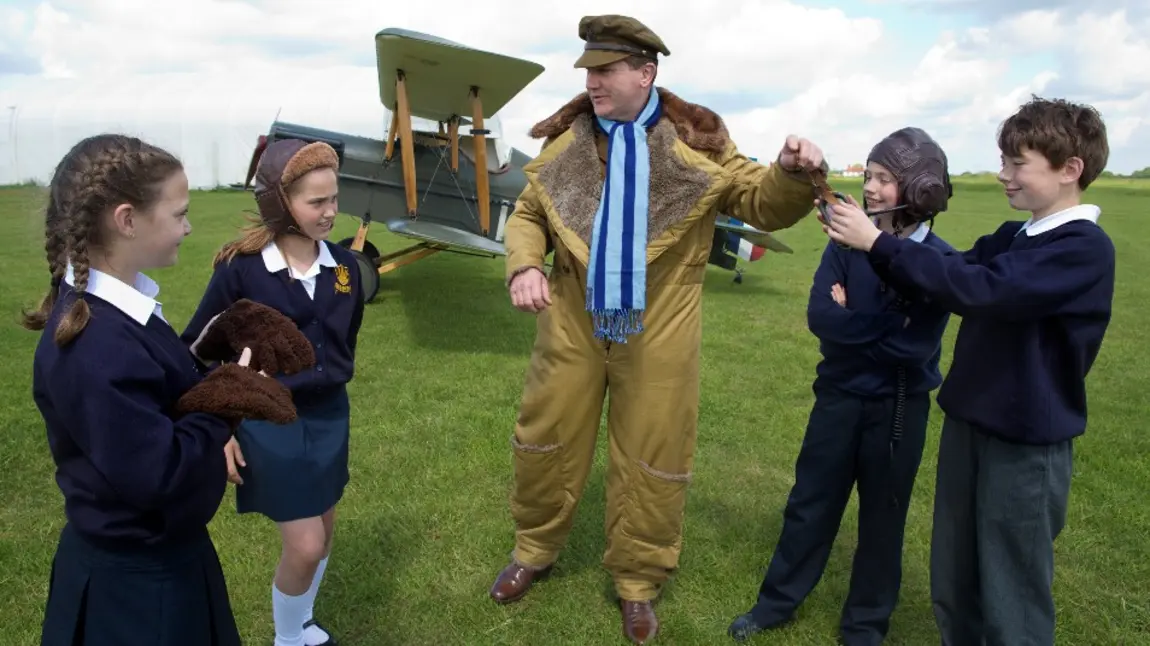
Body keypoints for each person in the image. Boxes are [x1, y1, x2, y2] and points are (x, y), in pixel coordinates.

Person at [489, 14, 826, 644]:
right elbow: (529, 214)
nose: (592, 82)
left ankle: (638, 583)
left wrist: (786, 171)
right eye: (588, 71)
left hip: (661, 326)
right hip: (570, 321)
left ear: (646, 74)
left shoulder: (699, 143)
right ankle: (533, 549)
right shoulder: (565, 141)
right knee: (546, 436)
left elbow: (761, 202)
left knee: (653, 453)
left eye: (606, 70)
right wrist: (524, 266)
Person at [823, 96, 1115, 645]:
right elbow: (954, 268)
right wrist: (888, 239)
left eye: (1017, 163)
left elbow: (986, 291)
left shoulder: (1082, 248)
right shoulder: (1013, 237)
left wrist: (878, 241)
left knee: (1012, 586)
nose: (1003, 175)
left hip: (1026, 444)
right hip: (968, 426)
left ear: (1070, 170)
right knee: (955, 573)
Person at [24, 133, 309, 646]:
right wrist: (226, 400)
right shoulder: (93, 345)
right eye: (178, 214)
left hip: (161, 563)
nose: (188, 226)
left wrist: (208, 348)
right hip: (136, 593)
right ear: (127, 220)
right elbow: (163, 473)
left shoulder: (118, 308)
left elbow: (154, 390)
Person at [727, 127, 956, 645]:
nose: (870, 188)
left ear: (919, 188)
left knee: (883, 520)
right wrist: (871, 321)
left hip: (899, 409)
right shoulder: (846, 241)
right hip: (838, 399)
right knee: (810, 503)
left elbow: (912, 347)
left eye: (883, 179)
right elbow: (820, 318)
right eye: (869, 175)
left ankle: (866, 626)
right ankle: (776, 604)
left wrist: (853, 315)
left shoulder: (939, 261)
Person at [181, 138, 365, 646]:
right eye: (316, 202)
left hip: (330, 417)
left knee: (324, 533)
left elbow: (341, 346)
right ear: (279, 203)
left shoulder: (347, 269)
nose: (331, 212)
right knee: (305, 545)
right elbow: (193, 352)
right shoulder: (240, 272)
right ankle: (287, 638)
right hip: (269, 421)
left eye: (334, 198)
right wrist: (221, 427)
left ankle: (302, 623)